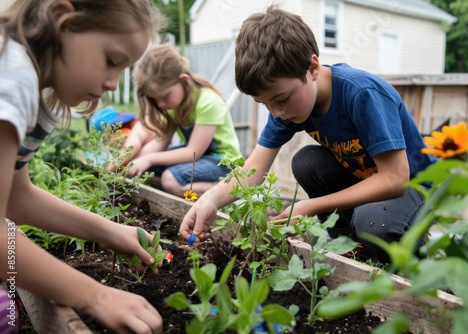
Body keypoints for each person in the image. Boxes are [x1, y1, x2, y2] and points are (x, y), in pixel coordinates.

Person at [179, 6, 436, 263]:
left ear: (312, 67)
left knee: (373, 221)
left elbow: (396, 178)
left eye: (280, 98)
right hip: (370, 183)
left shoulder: (362, 95)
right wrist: (209, 200)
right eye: (264, 103)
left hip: (415, 190)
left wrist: (310, 206)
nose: (276, 112)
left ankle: (411, 265)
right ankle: (352, 249)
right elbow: (253, 170)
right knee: (307, 162)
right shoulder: (288, 106)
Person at [0, 1, 164, 333]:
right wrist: (98, 297)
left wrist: (111, 231)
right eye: (111, 61)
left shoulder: (26, 80)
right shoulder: (12, 79)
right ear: (63, 20)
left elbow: (17, 197)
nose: (113, 84)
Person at [117, 43, 243, 198]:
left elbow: (193, 152)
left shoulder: (208, 101)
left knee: (171, 179)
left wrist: (148, 159)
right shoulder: (172, 103)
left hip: (222, 160)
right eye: (155, 99)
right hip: (199, 156)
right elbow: (161, 142)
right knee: (146, 170)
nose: (161, 104)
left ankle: (228, 188)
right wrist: (132, 162)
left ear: (183, 80)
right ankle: (178, 194)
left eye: (164, 96)